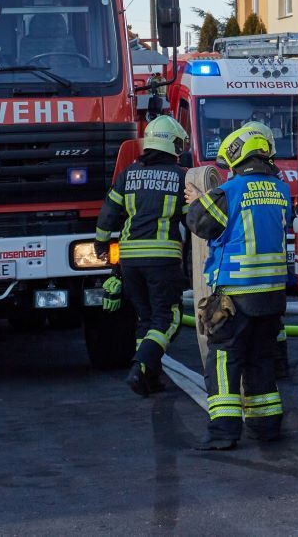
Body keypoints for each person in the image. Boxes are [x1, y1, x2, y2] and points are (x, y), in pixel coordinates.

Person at [184, 121, 291, 449]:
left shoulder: (230, 191)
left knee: (223, 359)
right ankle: (267, 426)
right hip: (272, 295)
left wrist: (197, 200)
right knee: (260, 358)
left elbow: (200, 224)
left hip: (237, 294)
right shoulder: (282, 190)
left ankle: (223, 433)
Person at [93, 114, 188, 397]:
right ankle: (140, 365)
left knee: (145, 319)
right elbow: (193, 221)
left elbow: (108, 213)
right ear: (172, 145)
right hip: (163, 260)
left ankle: (150, 379)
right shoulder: (180, 177)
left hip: (130, 261)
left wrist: (101, 246)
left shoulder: (128, 175)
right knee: (167, 319)